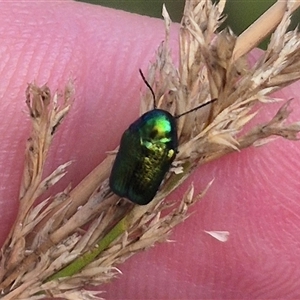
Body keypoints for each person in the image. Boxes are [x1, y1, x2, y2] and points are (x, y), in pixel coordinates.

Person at [0, 2, 299, 299]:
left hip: (123, 183)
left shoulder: (136, 134)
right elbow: (169, 157)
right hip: (135, 189)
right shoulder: (163, 144)